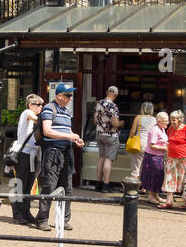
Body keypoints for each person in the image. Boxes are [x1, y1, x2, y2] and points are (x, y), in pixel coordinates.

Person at [35, 82, 85, 230]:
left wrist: (76, 139)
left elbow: (68, 131)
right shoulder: (49, 109)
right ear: (59, 95)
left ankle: (63, 220)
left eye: (71, 95)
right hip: (53, 152)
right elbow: (47, 131)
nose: (70, 98)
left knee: (67, 187)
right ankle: (42, 219)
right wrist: (69, 136)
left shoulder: (67, 111)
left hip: (67, 152)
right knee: (49, 185)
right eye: (68, 95)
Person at [10, 94, 44, 225]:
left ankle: (26, 212)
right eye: (38, 104)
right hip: (23, 153)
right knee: (20, 183)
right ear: (31, 105)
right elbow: (37, 120)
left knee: (29, 184)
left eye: (42, 104)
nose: (41, 107)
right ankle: (17, 213)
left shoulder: (33, 115)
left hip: (32, 154)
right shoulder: (27, 113)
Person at [162, 110, 186, 209]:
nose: (172, 122)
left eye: (174, 120)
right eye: (171, 120)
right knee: (169, 177)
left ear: (180, 120)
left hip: (185, 158)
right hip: (171, 158)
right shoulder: (170, 129)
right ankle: (169, 200)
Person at [93, 85, 122, 191]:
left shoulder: (98, 104)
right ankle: (106, 184)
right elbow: (115, 123)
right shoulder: (113, 106)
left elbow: (95, 121)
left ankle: (98, 183)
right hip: (111, 136)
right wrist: (122, 123)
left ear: (107, 92)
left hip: (99, 134)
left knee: (101, 158)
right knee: (108, 160)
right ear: (115, 95)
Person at [141, 110, 169, 204]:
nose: (167, 122)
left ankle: (156, 195)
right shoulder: (155, 130)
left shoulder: (162, 128)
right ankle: (150, 197)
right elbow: (151, 145)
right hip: (153, 157)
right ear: (158, 121)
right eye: (165, 120)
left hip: (159, 156)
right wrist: (164, 148)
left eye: (167, 120)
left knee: (158, 176)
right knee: (153, 176)